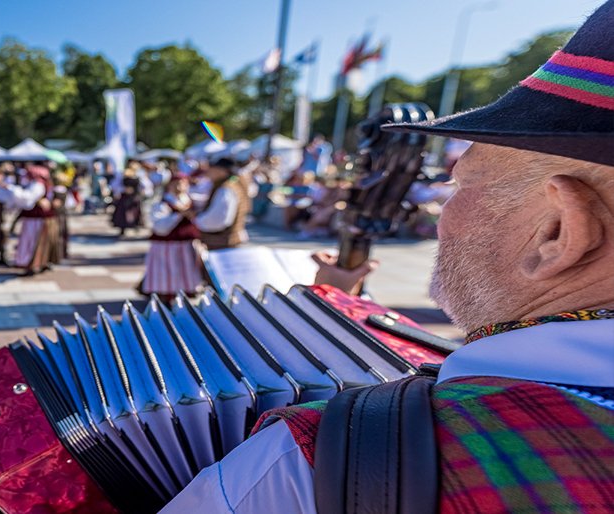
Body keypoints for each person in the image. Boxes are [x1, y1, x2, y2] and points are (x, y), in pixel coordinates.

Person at [161, 5, 614, 511]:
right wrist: (348, 302)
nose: (442, 214)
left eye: (458, 186)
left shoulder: (321, 463)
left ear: (557, 231)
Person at [140, 174, 206, 303]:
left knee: (185, 273)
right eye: (176, 183)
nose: (180, 187)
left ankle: (184, 295)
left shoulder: (190, 200)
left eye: (183, 183)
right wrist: (178, 215)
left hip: (186, 246)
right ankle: (165, 297)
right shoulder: (163, 204)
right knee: (166, 273)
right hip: (166, 247)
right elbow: (160, 227)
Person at [10, 164, 62, 276]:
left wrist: (14, 190)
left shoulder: (37, 185)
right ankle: (41, 263)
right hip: (43, 219)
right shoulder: (45, 184)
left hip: (36, 220)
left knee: (33, 242)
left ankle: (32, 265)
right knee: (42, 242)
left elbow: (27, 200)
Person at [194, 157, 250, 250]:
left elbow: (217, 220)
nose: (208, 171)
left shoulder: (226, 189)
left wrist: (195, 221)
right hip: (227, 241)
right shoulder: (234, 184)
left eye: (212, 169)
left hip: (222, 243)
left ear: (221, 171)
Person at [111, 163, 151, 236]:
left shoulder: (139, 176)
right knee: (123, 214)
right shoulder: (123, 175)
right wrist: (123, 190)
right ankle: (123, 228)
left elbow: (146, 185)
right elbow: (115, 185)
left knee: (135, 213)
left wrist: (142, 192)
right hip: (125, 197)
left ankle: (135, 227)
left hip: (134, 197)